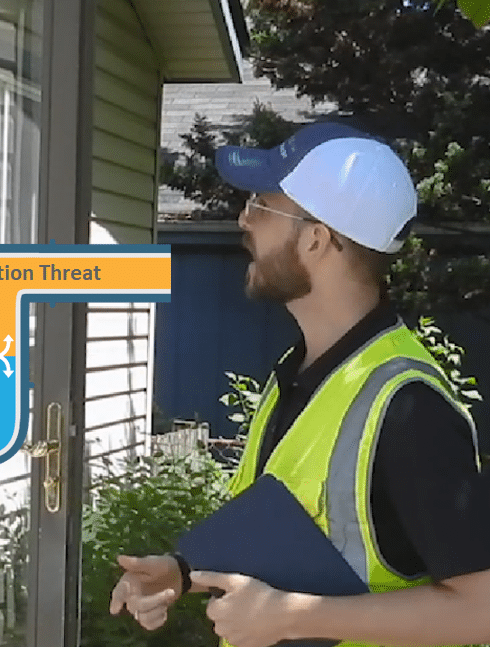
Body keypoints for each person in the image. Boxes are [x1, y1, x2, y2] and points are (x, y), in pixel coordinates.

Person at [108, 121, 490, 647]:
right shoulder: (299, 371)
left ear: (316, 239)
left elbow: (480, 610)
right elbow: (295, 534)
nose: (244, 219)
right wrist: (184, 571)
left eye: (262, 206)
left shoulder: (409, 408)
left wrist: (291, 617)